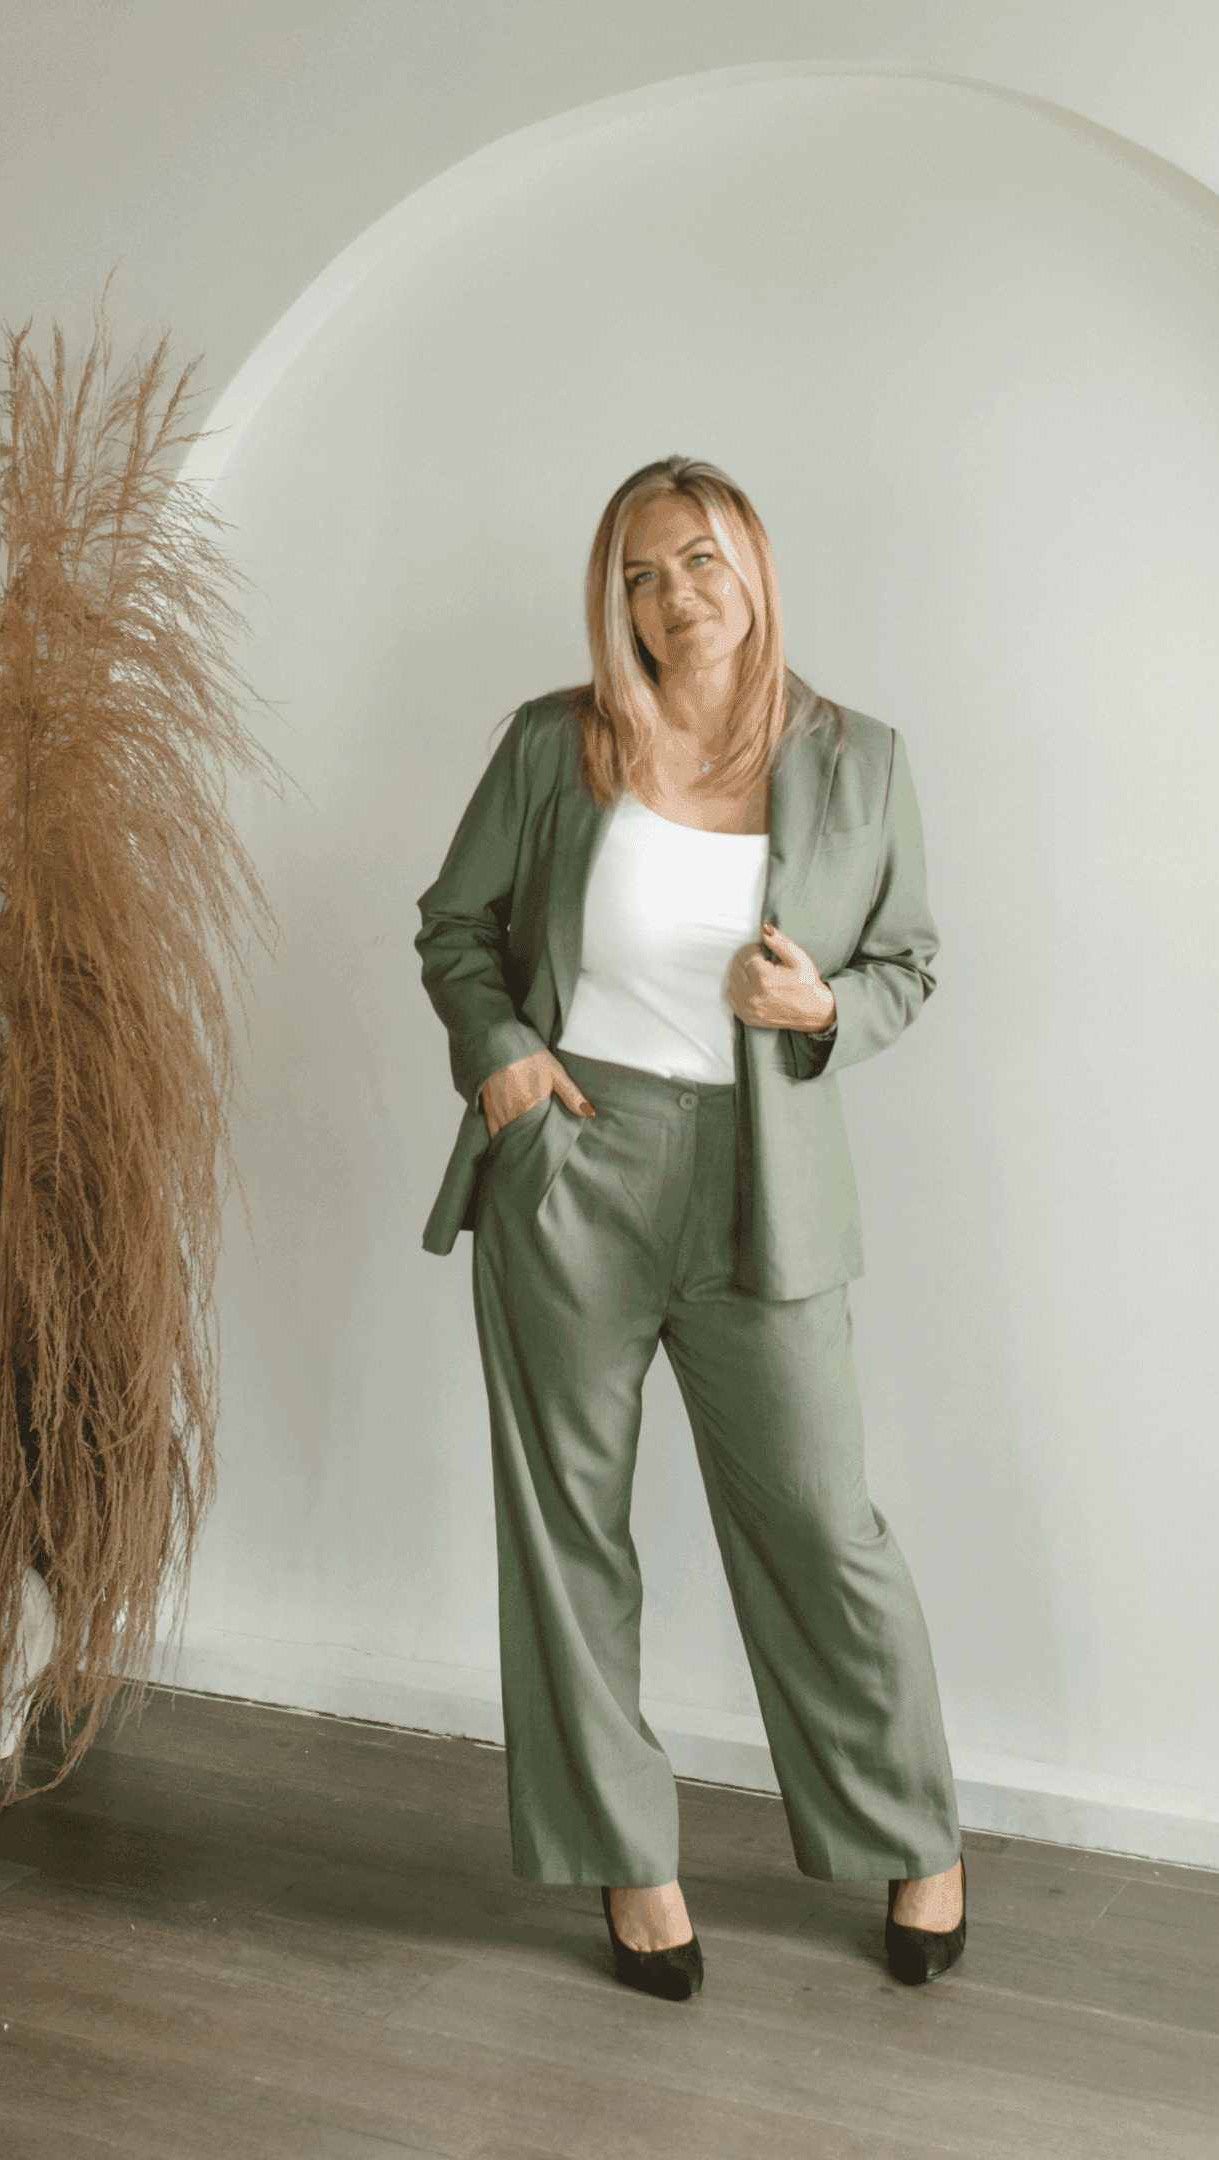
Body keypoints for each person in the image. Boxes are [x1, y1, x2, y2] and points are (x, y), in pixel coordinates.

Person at [414, 455, 965, 2002]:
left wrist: (822, 1008)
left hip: (760, 1182)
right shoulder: (556, 744)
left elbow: (909, 961)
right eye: (640, 575)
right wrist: (499, 1052)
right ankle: (628, 1862)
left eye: (699, 561)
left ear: (755, 567)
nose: (673, 598)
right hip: (571, 1165)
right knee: (567, 1530)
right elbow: (456, 928)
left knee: (820, 1524)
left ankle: (909, 1830)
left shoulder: (858, 760)